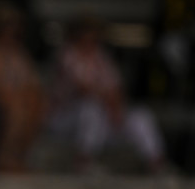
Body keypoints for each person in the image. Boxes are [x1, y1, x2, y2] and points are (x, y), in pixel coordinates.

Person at [47, 14, 167, 174]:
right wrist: (109, 101)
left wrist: (116, 108)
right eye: (86, 33)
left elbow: (116, 88)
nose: (91, 38)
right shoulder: (67, 55)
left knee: (141, 115)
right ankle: (83, 162)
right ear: (77, 34)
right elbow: (84, 89)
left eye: (94, 33)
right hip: (65, 118)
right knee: (90, 108)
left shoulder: (102, 57)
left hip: (102, 117)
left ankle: (156, 163)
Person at [0, 0, 45, 173]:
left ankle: (21, 157)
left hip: (16, 99)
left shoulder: (19, 52)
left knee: (36, 104)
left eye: (14, 24)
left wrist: (29, 97)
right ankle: (4, 159)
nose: (11, 29)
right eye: (6, 24)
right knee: (16, 108)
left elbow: (32, 82)